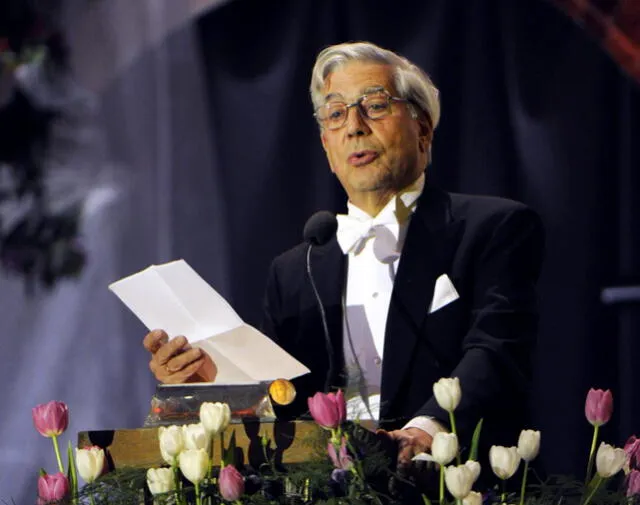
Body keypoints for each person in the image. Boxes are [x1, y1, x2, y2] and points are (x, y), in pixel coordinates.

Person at [143, 41, 544, 472]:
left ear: (423, 129)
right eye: (335, 114)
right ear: (325, 146)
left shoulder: (492, 227)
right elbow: (282, 399)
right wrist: (204, 381)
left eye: (374, 106)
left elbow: (495, 349)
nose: (354, 126)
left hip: (453, 477)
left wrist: (425, 432)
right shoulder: (298, 269)